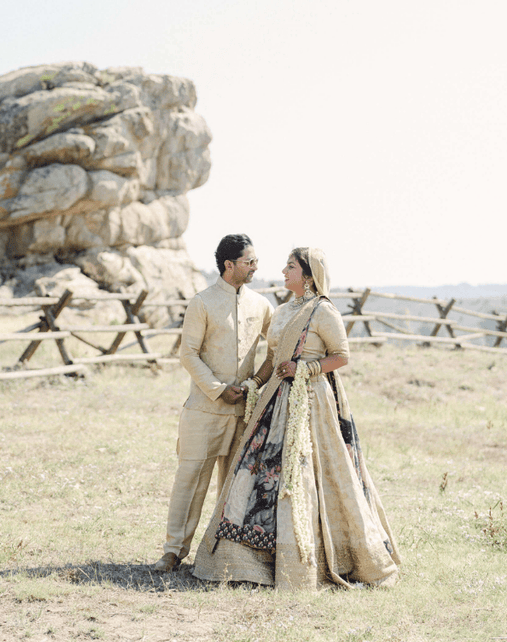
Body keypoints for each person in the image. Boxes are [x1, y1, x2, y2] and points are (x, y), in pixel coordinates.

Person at [193, 247, 400, 590]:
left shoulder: (323, 310)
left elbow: (342, 356)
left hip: (311, 401)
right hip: (275, 401)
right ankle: (247, 562)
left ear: (307, 274)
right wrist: (253, 384)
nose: (283, 271)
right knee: (260, 475)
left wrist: (306, 368)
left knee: (302, 475)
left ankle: (312, 560)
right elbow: (272, 356)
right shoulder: (284, 309)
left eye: (290, 266)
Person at [152, 234, 274, 572]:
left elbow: (276, 345)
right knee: (189, 481)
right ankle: (173, 551)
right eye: (249, 261)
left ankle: (223, 554)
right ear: (228, 265)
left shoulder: (261, 305)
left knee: (235, 485)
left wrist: (256, 383)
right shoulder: (202, 302)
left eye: (255, 260)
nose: (255, 267)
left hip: (243, 412)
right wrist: (218, 389)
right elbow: (187, 353)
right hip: (203, 409)